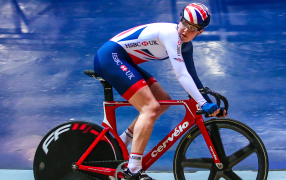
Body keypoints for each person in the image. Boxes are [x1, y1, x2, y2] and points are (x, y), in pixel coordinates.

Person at [93, 3, 228, 180]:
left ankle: (121, 142)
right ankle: (133, 170)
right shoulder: (171, 34)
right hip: (110, 57)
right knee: (150, 108)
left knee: (162, 101)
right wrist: (203, 103)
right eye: (185, 23)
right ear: (180, 19)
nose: (185, 30)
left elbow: (193, 78)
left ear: (200, 32)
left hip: (122, 59)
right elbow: (181, 74)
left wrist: (211, 104)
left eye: (193, 28)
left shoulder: (186, 46)